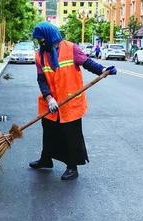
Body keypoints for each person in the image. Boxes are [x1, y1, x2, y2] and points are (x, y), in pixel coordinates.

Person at [30, 22, 107, 180]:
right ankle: (46, 160)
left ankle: (72, 167)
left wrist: (102, 70)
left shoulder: (71, 48)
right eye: (38, 41)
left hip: (70, 103)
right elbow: (41, 79)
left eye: (42, 40)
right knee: (49, 133)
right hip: (50, 104)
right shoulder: (40, 55)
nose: (40, 43)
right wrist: (49, 98)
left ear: (50, 36)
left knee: (71, 136)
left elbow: (87, 62)